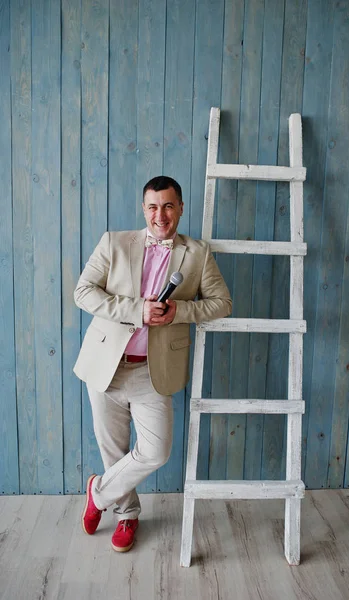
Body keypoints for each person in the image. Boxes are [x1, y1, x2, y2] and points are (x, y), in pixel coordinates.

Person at [73, 175, 232, 553]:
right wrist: (137, 310)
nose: (160, 214)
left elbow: (222, 303)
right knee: (114, 449)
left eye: (168, 205)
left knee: (156, 450)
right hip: (106, 365)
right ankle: (127, 515)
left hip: (153, 371)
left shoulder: (197, 254)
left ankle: (98, 494)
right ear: (144, 209)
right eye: (153, 206)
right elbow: (83, 292)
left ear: (179, 208)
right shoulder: (114, 243)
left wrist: (179, 311)